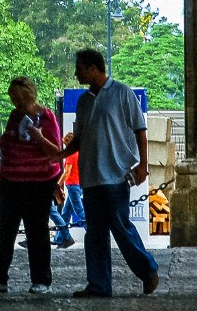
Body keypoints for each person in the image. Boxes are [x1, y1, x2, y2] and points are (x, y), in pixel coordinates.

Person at [57, 48, 160, 297]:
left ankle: (148, 270)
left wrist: (143, 165)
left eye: (80, 68)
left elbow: (140, 131)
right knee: (94, 234)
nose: (76, 74)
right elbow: (79, 139)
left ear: (93, 68)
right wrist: (58, 155)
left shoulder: (122, 93)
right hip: (90, 176)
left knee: (121, 227)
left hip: (115, 174)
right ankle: (99, 285)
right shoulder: (83, 101)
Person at [0, 76, 63, 295]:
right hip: (12, 182)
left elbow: (57, 152)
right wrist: (2, 176)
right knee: (5, 231)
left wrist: (39, 138)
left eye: (19, 99)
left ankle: (41, 280)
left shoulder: (47, 118)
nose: (16, 103)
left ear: (29, 96)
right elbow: (8, 148)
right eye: (13, 99)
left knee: (37, 232)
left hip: (39, 184)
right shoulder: (15, 116)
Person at [59, 132, 86, 227]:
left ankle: (94, 233)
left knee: (81, 213)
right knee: (66, 212)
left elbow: (67, 172)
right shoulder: (79, 154)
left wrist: (58, 185)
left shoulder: (71, 155)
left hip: (72, 185)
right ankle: (61, 235)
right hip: (78, 185)